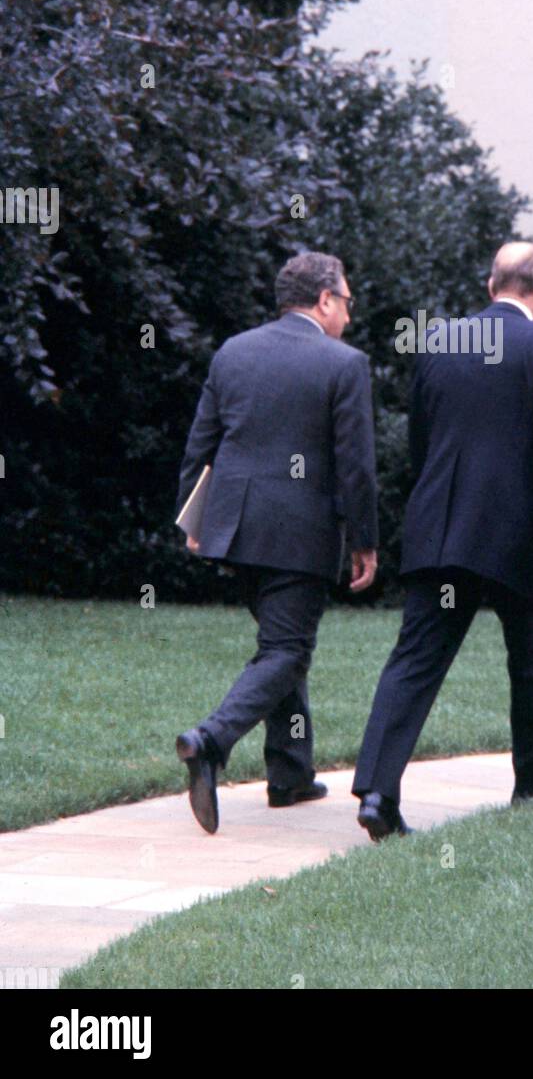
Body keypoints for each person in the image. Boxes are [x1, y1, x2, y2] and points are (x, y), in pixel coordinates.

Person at [353, 241, 533, 840]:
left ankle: (377, 792)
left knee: (414, 660)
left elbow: (421, 445)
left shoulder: (440, 342)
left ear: (490, 285)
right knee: (531, 657)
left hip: (441, 529)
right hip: (515, 538)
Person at [174, 251, 378, 834]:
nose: (348, 312)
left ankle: (290, 774)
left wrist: (195, 521)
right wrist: (365, 541)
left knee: (280, 643)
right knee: (287, 651)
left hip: (236, 530)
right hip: (300, 532)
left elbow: (201, 445)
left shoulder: (233, 351)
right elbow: (356, 468)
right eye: (346, 300)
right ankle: (209, 741)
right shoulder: (345, 363)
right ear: (323, 300)